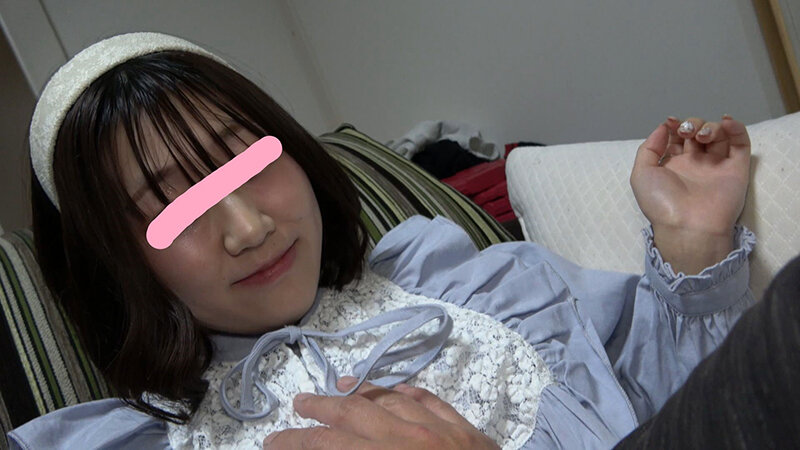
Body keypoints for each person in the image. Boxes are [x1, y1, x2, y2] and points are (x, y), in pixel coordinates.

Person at [6, 31, 755, 449]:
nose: (249, 228)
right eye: (174, 205)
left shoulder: (462, 284)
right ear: (117, 262)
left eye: (248, 160)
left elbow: (668, 415)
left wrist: (691, 239)